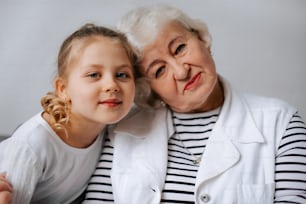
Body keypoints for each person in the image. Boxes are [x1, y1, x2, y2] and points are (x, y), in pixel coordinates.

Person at [83, 5, 306, 204]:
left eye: (180, 48)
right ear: (148, 88)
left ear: (202, 39)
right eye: (160, 70)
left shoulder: (281, 122)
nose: (181, 71)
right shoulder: (121, 133)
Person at [0, 23, 136, 204]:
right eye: (94, 74)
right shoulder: (33, 144)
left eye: (122, 74)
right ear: (63, 89)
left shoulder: (113, 131)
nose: (112, 85)